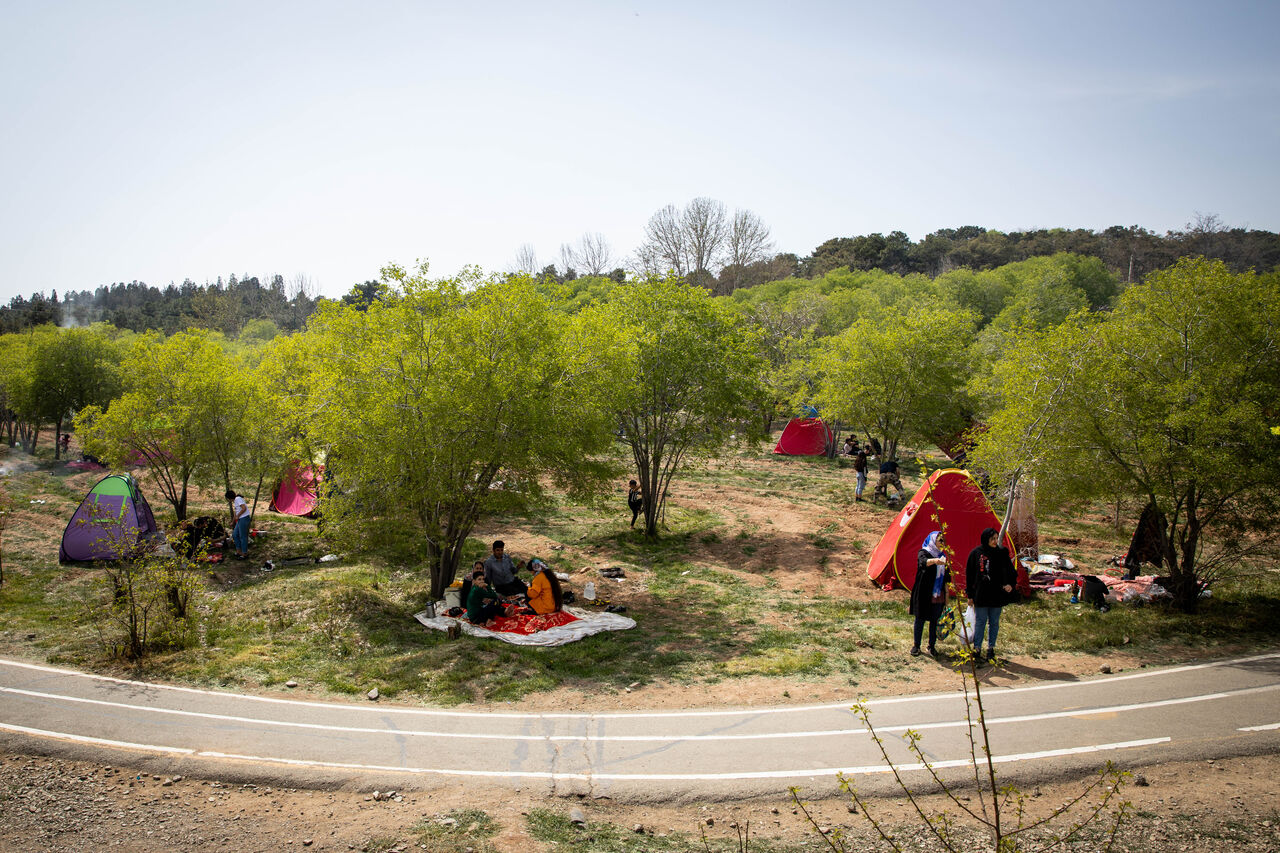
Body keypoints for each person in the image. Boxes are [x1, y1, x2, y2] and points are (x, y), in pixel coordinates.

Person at [965, 527, 1017, 664]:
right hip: (981, 594)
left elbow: (1011, 572)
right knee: (980, 622)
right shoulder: (976, 553)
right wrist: (970, 595)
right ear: (986, 539)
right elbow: (969, 575)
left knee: (994, 623)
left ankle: (991, 649)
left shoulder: (1001, 553)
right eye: (992, 538)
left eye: (996, 538)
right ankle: (977, 649)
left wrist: (1010, 584)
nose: (995, 541)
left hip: (997, 595)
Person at [910, 530, 950, 657]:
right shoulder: (924, 552)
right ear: (934, 541)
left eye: (944, 541)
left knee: (935, 619)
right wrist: (935, 561)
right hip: (924, 592)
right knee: (920, 618)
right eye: (940, 541)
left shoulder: (943, 556)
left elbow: (946, 577)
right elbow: (923, 562)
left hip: (937, 594)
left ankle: (932, 646)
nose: (942, 543)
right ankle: (916, 645)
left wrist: (947, 594)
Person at [224, 489, 251, 559]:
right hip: (240, 519)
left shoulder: (238, 499)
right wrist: (233, 522)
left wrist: (238, 516)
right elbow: (236, 512)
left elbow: (244, 508)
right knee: (235, 534)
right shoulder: (235, 501)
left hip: (244, 518)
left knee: (243, 536)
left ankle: (244, 553)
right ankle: (238, 551)